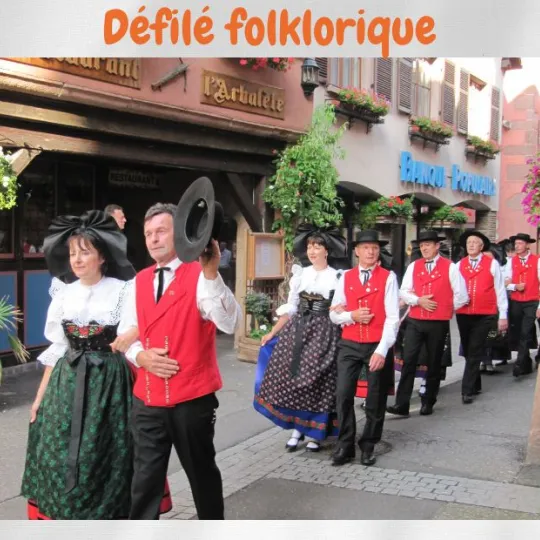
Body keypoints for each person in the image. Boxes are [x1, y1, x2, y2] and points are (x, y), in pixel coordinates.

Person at [20, 210, 171, 520]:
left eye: (85, 252)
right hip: (66, 385)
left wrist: (131, 337)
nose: (76, 259)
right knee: (59, 454)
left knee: (107, 456)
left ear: (102, 256)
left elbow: (143, 325)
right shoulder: (64, 293)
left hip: (109, 387)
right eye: (72, 253)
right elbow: (59, 348)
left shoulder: (123, 289)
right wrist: (39, 397)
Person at [120, 202, 241, 520]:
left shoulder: (201, 275)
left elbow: (230, 323)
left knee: (202, 476)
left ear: (179, 234)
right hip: (147, 400)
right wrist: (141, 356)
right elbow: (126, 332)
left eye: (161, 231)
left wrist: (212, 274)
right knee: (144, 482)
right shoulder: (138, 281)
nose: (153, 238)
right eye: (148, 233)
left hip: (191, 400)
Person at [253, 224, 347, 453]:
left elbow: (341, 308)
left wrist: (341, 309)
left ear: (327, 251)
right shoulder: (301, 274)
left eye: (317, 247)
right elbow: (291, 308)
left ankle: (316, 432)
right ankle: (298, 428)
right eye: (309, 247)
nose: (312, 251)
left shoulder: (338, 277)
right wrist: (272, 332)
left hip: (325, 332)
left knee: (318, 382)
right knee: (293, 379)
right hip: (298, 332)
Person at [329, 230, 399, 467]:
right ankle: (345, 444)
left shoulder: (388, 277)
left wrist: (382, 350)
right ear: (357, 251)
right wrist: (352, 315)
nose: (371, 252)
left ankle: (368, 445)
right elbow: (334, 314)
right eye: (366, 248)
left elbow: (393, 318)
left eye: (375, 248)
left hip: (376, 344)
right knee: (343, 394)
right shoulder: (345, 277)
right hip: (349, 343)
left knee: (375, 398)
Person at [388, 230, 469, 417]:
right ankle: (401, 404)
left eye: (428, 245)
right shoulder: (414, 266)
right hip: (415, 320)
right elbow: (404, 291)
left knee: (434, 362)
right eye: (422, 245)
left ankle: (428, 401)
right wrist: (418, 301)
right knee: (409, 360)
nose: (424, 248)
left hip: (438, 323)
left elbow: (462, 296)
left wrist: (446, 308)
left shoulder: (450, 267)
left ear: (437, 246)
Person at [455, 230, 508, 404]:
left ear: (481, 246)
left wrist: (503, 315)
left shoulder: (492, 264)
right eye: (468, 242)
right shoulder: (459, 265)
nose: (471, 245)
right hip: (463, 314)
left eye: (474, 242)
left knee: (475, 349)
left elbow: (500, 290)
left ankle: (467, 390)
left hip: (485, 314)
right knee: (468, 350)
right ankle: (475, 383)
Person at [503, 232, 540, 376]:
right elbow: (505, 282)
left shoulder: (537, 260)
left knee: (526, 331)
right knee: (518, 332)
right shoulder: (511, 261)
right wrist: (515, 286)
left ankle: (519, 363)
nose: (517, 246)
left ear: (527, 245)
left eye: (520, 243)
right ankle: (526, 362)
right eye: (516, 244)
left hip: (532, 301)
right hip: (516, 302)